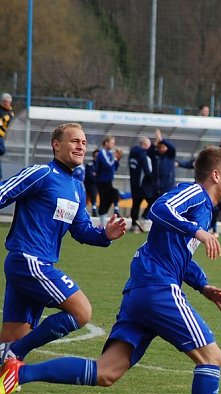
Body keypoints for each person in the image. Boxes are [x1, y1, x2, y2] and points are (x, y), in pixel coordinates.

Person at [0, 147, 221, 394]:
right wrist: (197, 230)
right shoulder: (195, 194)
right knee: (212, 357)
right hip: (158, 290)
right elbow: (159, 208)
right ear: (215, 175)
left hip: (141, 293)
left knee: (106, 372)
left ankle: (19, 374)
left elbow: (172, 253)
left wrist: (203, 285)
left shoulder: (203, 208)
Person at [0, 123, 127, 376]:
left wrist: (105, 235)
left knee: (10, 343)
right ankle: (15, 353)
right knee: (82, 311)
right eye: (74, 141)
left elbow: (81, 230)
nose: (81, 146)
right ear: (56, 145)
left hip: (37, 265)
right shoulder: (41, 174)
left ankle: (9, 356)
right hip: (29, 260)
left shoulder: (77, 187)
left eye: (83, 142)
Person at [94, 135, 123, 223]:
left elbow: (114, 168)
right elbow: (107, 165)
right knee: (104, 201)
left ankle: (115, 209)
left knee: (113, 195)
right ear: (106, 143)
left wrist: (117, 159)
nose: (113, 145)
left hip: (109, 181)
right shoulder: (102, 152)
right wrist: (115, 158)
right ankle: (102, 223)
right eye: (112, 143)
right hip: (102, 181)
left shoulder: (110, 153)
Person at [128, 136, 153, 233]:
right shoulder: (143, 155)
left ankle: (134, 225)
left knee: (135, 204)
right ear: (145, 145)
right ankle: (142, 218)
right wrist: (154, 177)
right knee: (153, 200)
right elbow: (147, 171)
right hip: (142, 184)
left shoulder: (132, 154)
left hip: (133, 183)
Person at [0, 93, 14, 179]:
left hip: (4, 135)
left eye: (9, 102)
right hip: (1, 135)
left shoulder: (10, 112)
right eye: (6, 101)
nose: (7, 103)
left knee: (2, 151)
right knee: (2, 150)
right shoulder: (1, 111)